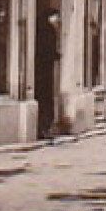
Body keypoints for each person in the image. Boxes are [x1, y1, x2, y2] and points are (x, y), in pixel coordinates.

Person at [34, 9, 62, 139]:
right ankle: (44, 128)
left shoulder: (41, 30)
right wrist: (56, 55)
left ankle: (43, 128)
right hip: (45, 72)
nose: (58, 21)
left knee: (43, 99)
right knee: (46, 100)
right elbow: (48, 51)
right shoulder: (49, 31)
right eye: (56, 18)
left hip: (40, 71)